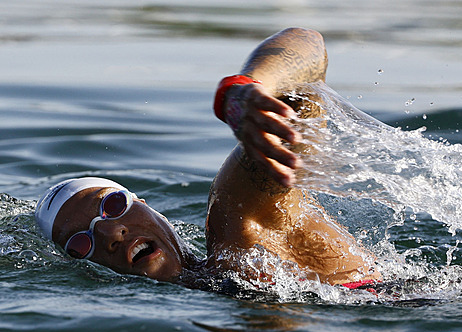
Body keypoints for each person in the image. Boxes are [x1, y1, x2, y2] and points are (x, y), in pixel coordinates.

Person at [34, 27, 381, 288]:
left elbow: (309, 48)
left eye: (112, 205)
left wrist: (245, 89)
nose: (111, 231)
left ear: (151, 209)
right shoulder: (197, 305)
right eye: (80, 242)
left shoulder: (238, 226)